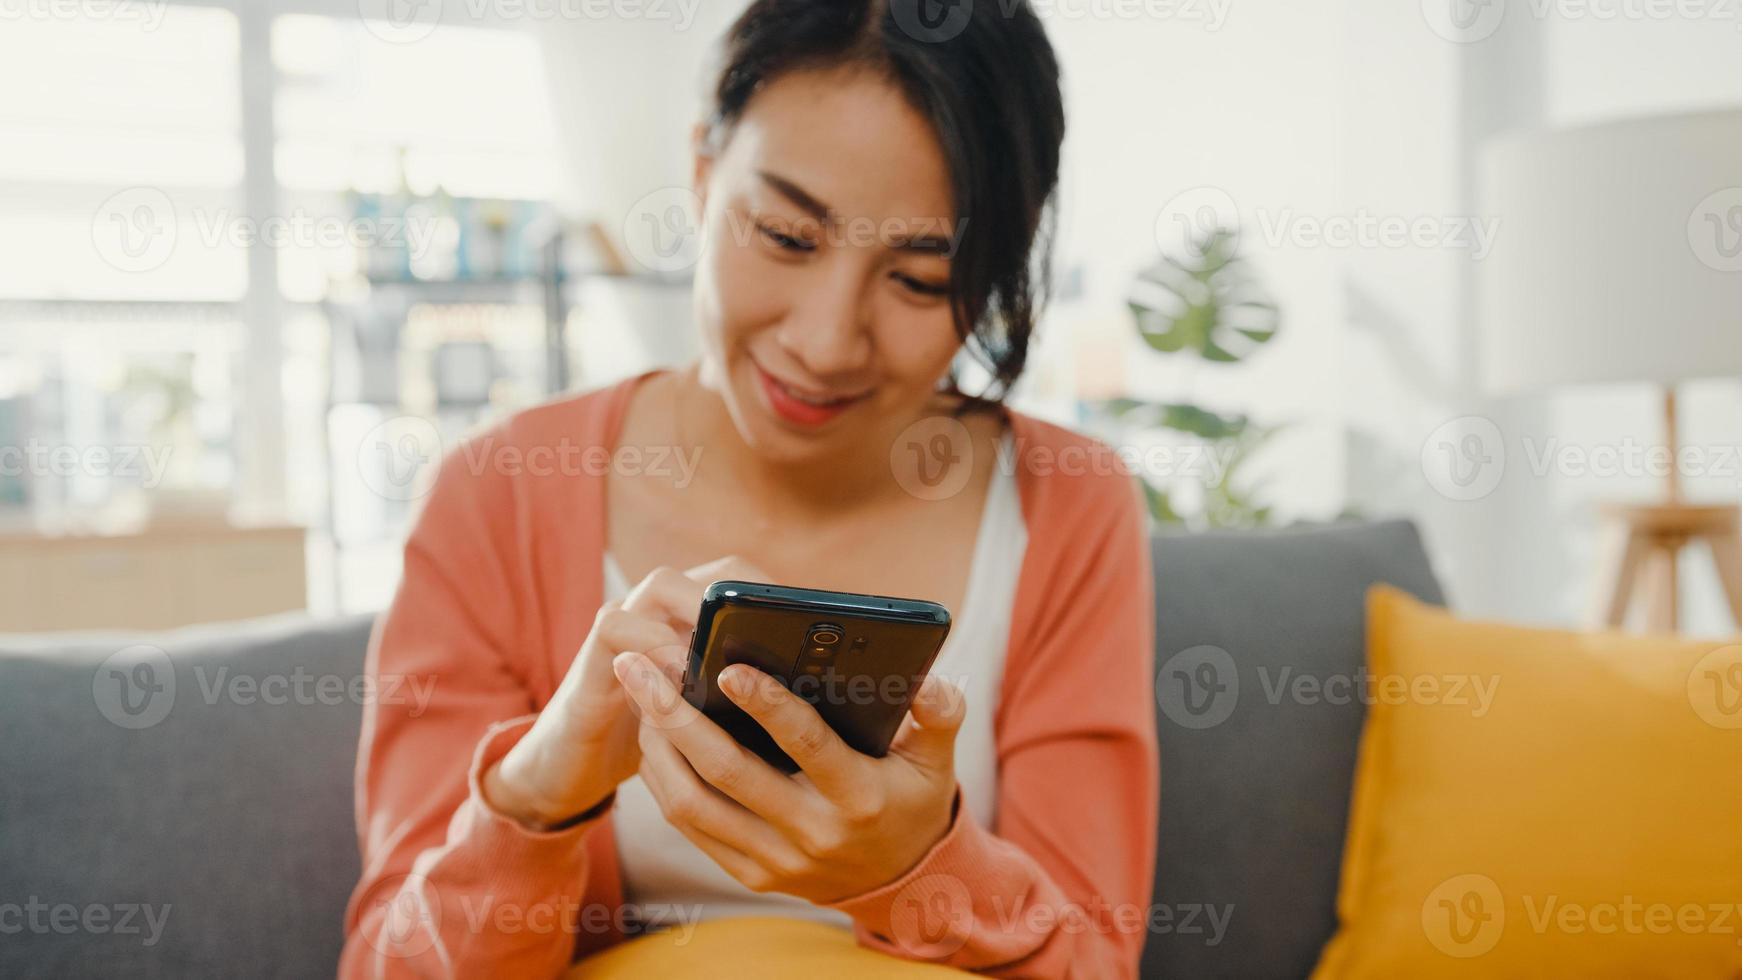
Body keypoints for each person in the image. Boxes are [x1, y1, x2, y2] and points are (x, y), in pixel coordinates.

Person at [340, 1, 1157, 975]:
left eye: (917, 279)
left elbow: (1095, 962)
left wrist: (914, 862)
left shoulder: (1069, 503)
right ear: (699, 175)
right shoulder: (499, 493)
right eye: (783, 235)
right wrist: (534, 795)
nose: (823, 341)